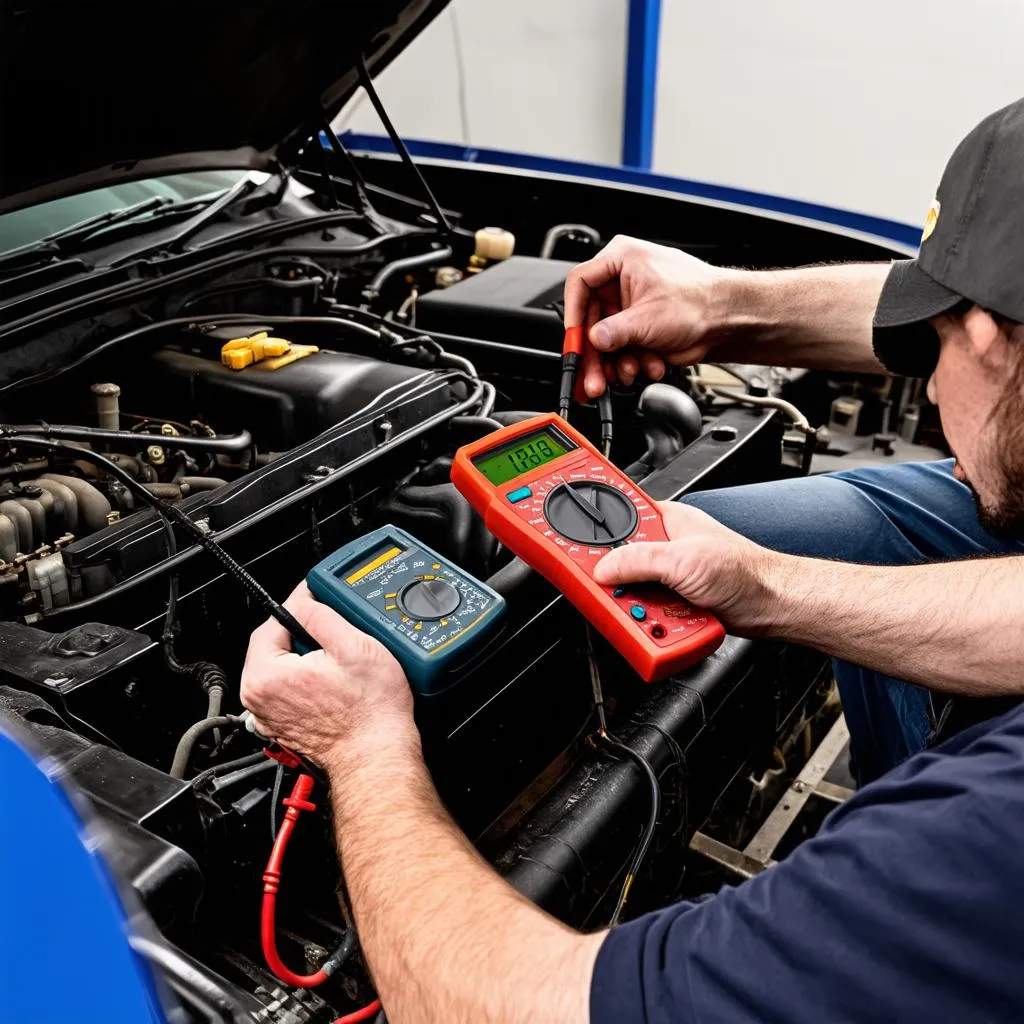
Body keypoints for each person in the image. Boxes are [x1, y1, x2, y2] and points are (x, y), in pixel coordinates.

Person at [241, 100, 1024, 1022]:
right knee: (717, 530)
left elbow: (511, 1010)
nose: (920, 383)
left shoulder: (982, 839)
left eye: (933, 347)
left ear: (985, 337)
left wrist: (362, 750)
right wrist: (725, 308)